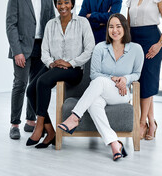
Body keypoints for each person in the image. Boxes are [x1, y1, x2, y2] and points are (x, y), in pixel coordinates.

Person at [58, 13, 144, 161]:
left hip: (121, 94)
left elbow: (136, 74)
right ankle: (114, 144)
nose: (114, 30)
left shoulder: (136, 49)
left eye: (118, 26)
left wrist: (124, 79)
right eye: (111, 27)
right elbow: (94, 74)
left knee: (98, 84)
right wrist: (112, 78)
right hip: (102, 92)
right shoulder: (100, 48)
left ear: (124, 28)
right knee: (94, 103)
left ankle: (74, 116)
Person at [26, 0, 95, 148]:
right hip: (53, 66)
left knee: (42, 82)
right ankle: (50, 131)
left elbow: (89, 49)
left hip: (74, 69)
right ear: (55, 5)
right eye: (59, 3)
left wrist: (70, 63)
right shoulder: (51, 24)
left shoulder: (82, 22)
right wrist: (51, 63)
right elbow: (44, 51)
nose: (63, 6)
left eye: (66, 2)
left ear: (72, 4)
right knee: (30, 90)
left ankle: (39, 127)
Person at [6, 0, 55, 140]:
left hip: (41, 48)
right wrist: (16, 51)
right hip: (22, 48)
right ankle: (14, 124)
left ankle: (31, 121)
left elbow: (51, 27)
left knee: (35, 85)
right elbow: (10, 26)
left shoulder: (48, 0)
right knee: (20, 85)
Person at [127, 0, 162, 140]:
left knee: (147, 83)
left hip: (152, 42)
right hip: (134, 42)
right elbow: (128, 26)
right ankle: (151, 122)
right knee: (140, 83)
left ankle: (141, 123)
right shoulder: (131, 0)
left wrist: (159, 44)